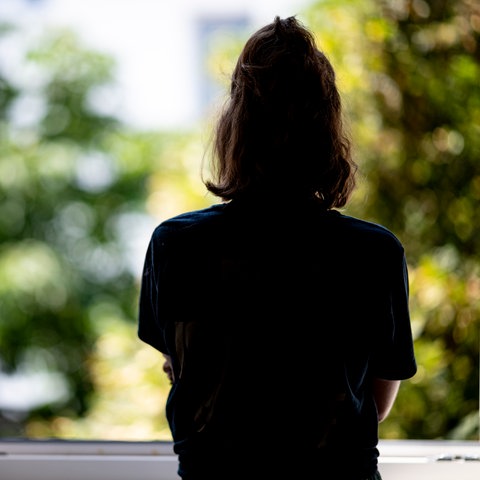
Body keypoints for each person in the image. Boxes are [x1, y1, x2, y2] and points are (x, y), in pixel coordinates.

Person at [138, 15, 417, 480]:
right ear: (328, 130)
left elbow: (186, 373)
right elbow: (376, 403)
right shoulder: (374, 252)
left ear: (234, 127)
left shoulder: (177, 244)